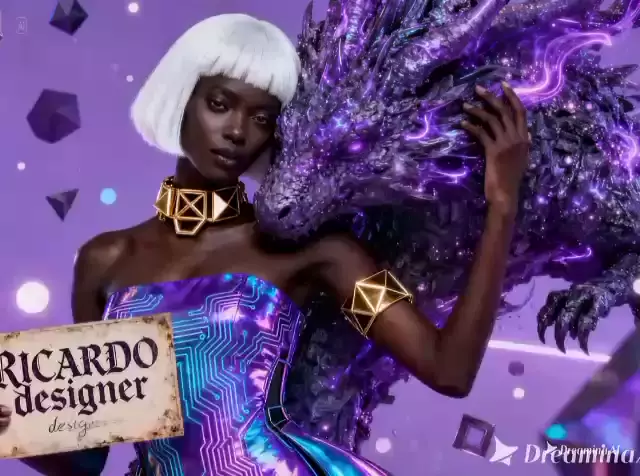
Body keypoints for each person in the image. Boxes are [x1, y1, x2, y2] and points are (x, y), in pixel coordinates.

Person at [0, 13, 529, 476]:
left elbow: (448, 370)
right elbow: (87, 459)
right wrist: (13, 429)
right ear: (180, 98)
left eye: (261, 118)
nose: (237, 131)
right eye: (219, 103)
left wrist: (502, 206)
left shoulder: (310, 249)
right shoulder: (105, 260)